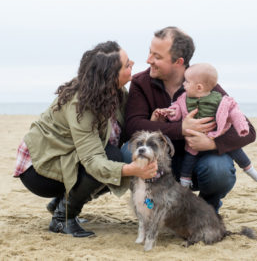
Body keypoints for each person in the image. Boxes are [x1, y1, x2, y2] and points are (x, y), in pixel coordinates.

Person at [13, 41, 158, 238]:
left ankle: (60, 203)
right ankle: (63, 217)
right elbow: (92, 161)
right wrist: (130, 170)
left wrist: (153, 121)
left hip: (68, 156)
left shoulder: (115, 92)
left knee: (116, 161)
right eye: (126, 64)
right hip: (39, 168)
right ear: (110, 76)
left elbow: (124, 131)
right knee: (114, 160)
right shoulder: (82, 104)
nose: (133, 62)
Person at [122, 27, 256, 213]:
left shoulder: (203, 84)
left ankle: (207, 209)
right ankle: (150, 205)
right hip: (161, 164)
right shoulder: (141, 82)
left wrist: (212, 142)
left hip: (196, 163)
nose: (148, 60)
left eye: (157, 56)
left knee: (219, 168)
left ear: (179, 62)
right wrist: (181, 128)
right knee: (128, 152)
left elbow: (247, 130)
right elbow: (132, 126)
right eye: (150, 52)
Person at [152, 63, 257, 188]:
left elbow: (234, 113)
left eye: (187, 82)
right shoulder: (183, 99)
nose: (184, 84)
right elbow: (177, 110)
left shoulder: (220, 99)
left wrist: (241, 127)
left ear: (199, 87)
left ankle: (249, 168)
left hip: (215, 136)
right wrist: (169, 113)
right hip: (193, 140)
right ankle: (185, 180)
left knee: (236, 150)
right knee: (189, 158)